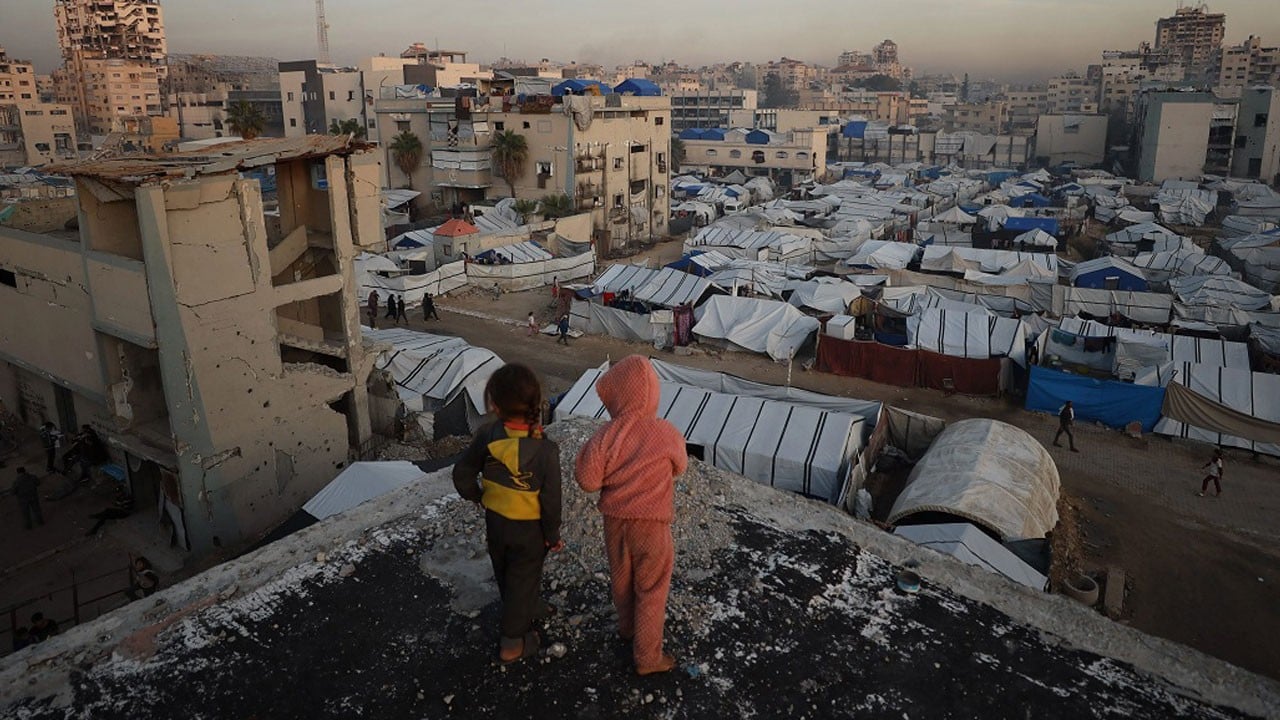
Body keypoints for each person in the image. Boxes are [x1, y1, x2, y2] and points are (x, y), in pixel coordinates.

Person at [575, 356, 689, 676]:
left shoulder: (607, 435)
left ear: (617, 397)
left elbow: (587, 480)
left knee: (622, 579)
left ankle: (627, 628)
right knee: (652, 587)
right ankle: (648, 658)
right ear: (652, 394)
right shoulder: (665, 432)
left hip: (614, 521)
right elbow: (680, 466)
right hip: (652, 524)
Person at [452, 364, 562, 664]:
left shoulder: (487, 436)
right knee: (524, 572)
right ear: (535, 404)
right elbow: (551, 501)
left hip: (497, 523)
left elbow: (462, 473)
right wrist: (552, 535)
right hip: (530, 531)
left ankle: (526, 605)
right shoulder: (546, 450)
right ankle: (512, 641)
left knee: (505, 570)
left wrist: (477, 496)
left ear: (495, 406)